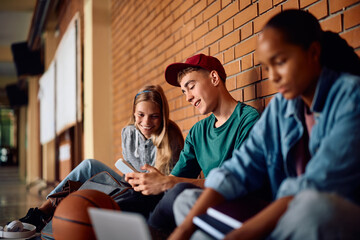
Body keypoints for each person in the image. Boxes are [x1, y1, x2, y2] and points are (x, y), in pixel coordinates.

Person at [169, 9, 360, 240]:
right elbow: (238, 168)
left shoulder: (352, 97)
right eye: (267, 68)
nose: (273, 77)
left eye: (280, 62)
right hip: (285, 216)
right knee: (187, 202)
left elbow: (312, 186)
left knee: (313, 208)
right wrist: (183, 230)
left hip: (327, 214)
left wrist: (239, 236)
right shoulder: (282, 106)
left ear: (313, 53)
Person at [17, 84, 184, 232]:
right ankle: (41, 213)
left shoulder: (171, 136)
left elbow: (173, 183)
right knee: (89, 165)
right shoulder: (128, 132)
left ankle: (69, 221)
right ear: (134, 112)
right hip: (131, 187)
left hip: (153, 197)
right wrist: (130, 177)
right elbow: (128, 169)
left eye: (154, 116)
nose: (146, 122)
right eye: (141, 115)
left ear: (162, 115)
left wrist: (153, 181)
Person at [125, 54, 260, 233]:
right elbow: (175, 178)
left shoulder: (248, 120)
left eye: (191, 86)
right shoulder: (198, 131)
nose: (188, 97)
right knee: (137, 194)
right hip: (198, 204)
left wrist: (168, 183)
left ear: (214, 78)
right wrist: (157, 180)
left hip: (232, 205)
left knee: (178, 193)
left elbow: (236, 182)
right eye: (184, 91)